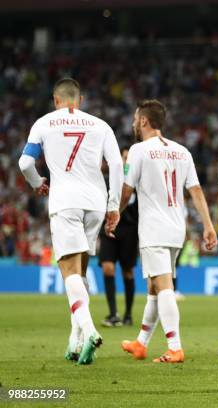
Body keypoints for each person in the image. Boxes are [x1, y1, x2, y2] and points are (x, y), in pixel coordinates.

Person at [18, 78, 123, 365]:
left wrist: (37, 182)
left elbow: (25, 163)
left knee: (69, 272)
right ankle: (75, 341)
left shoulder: (43, 123)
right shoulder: (100, 125)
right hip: (96, 203)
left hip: (65, 202)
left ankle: (89, 331)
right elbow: (116, 164)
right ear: (81, 99)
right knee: (81, 272)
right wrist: (114, 205)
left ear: (56, 100)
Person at [117, 100, 217, 363]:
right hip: (176, 228)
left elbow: (127, 191)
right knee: (154, 285)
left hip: (153, 228)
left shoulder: (139, 150)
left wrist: (114, 213)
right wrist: (208, 225)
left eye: (136, 120)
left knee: (163, 287)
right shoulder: (182, 151)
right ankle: (141, 343)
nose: (133, 124)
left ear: (145, 122)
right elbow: (195, 190)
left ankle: (175, 346)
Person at [100, 147, 138, 327]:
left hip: (130, 230)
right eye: (124, 157)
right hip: (109, 228)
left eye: (129, 158)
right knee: (108, 268)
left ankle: (128, 314)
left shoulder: (139, 181)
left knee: (127, 271)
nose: (126, 161)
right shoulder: (109, 180)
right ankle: (113, 313)